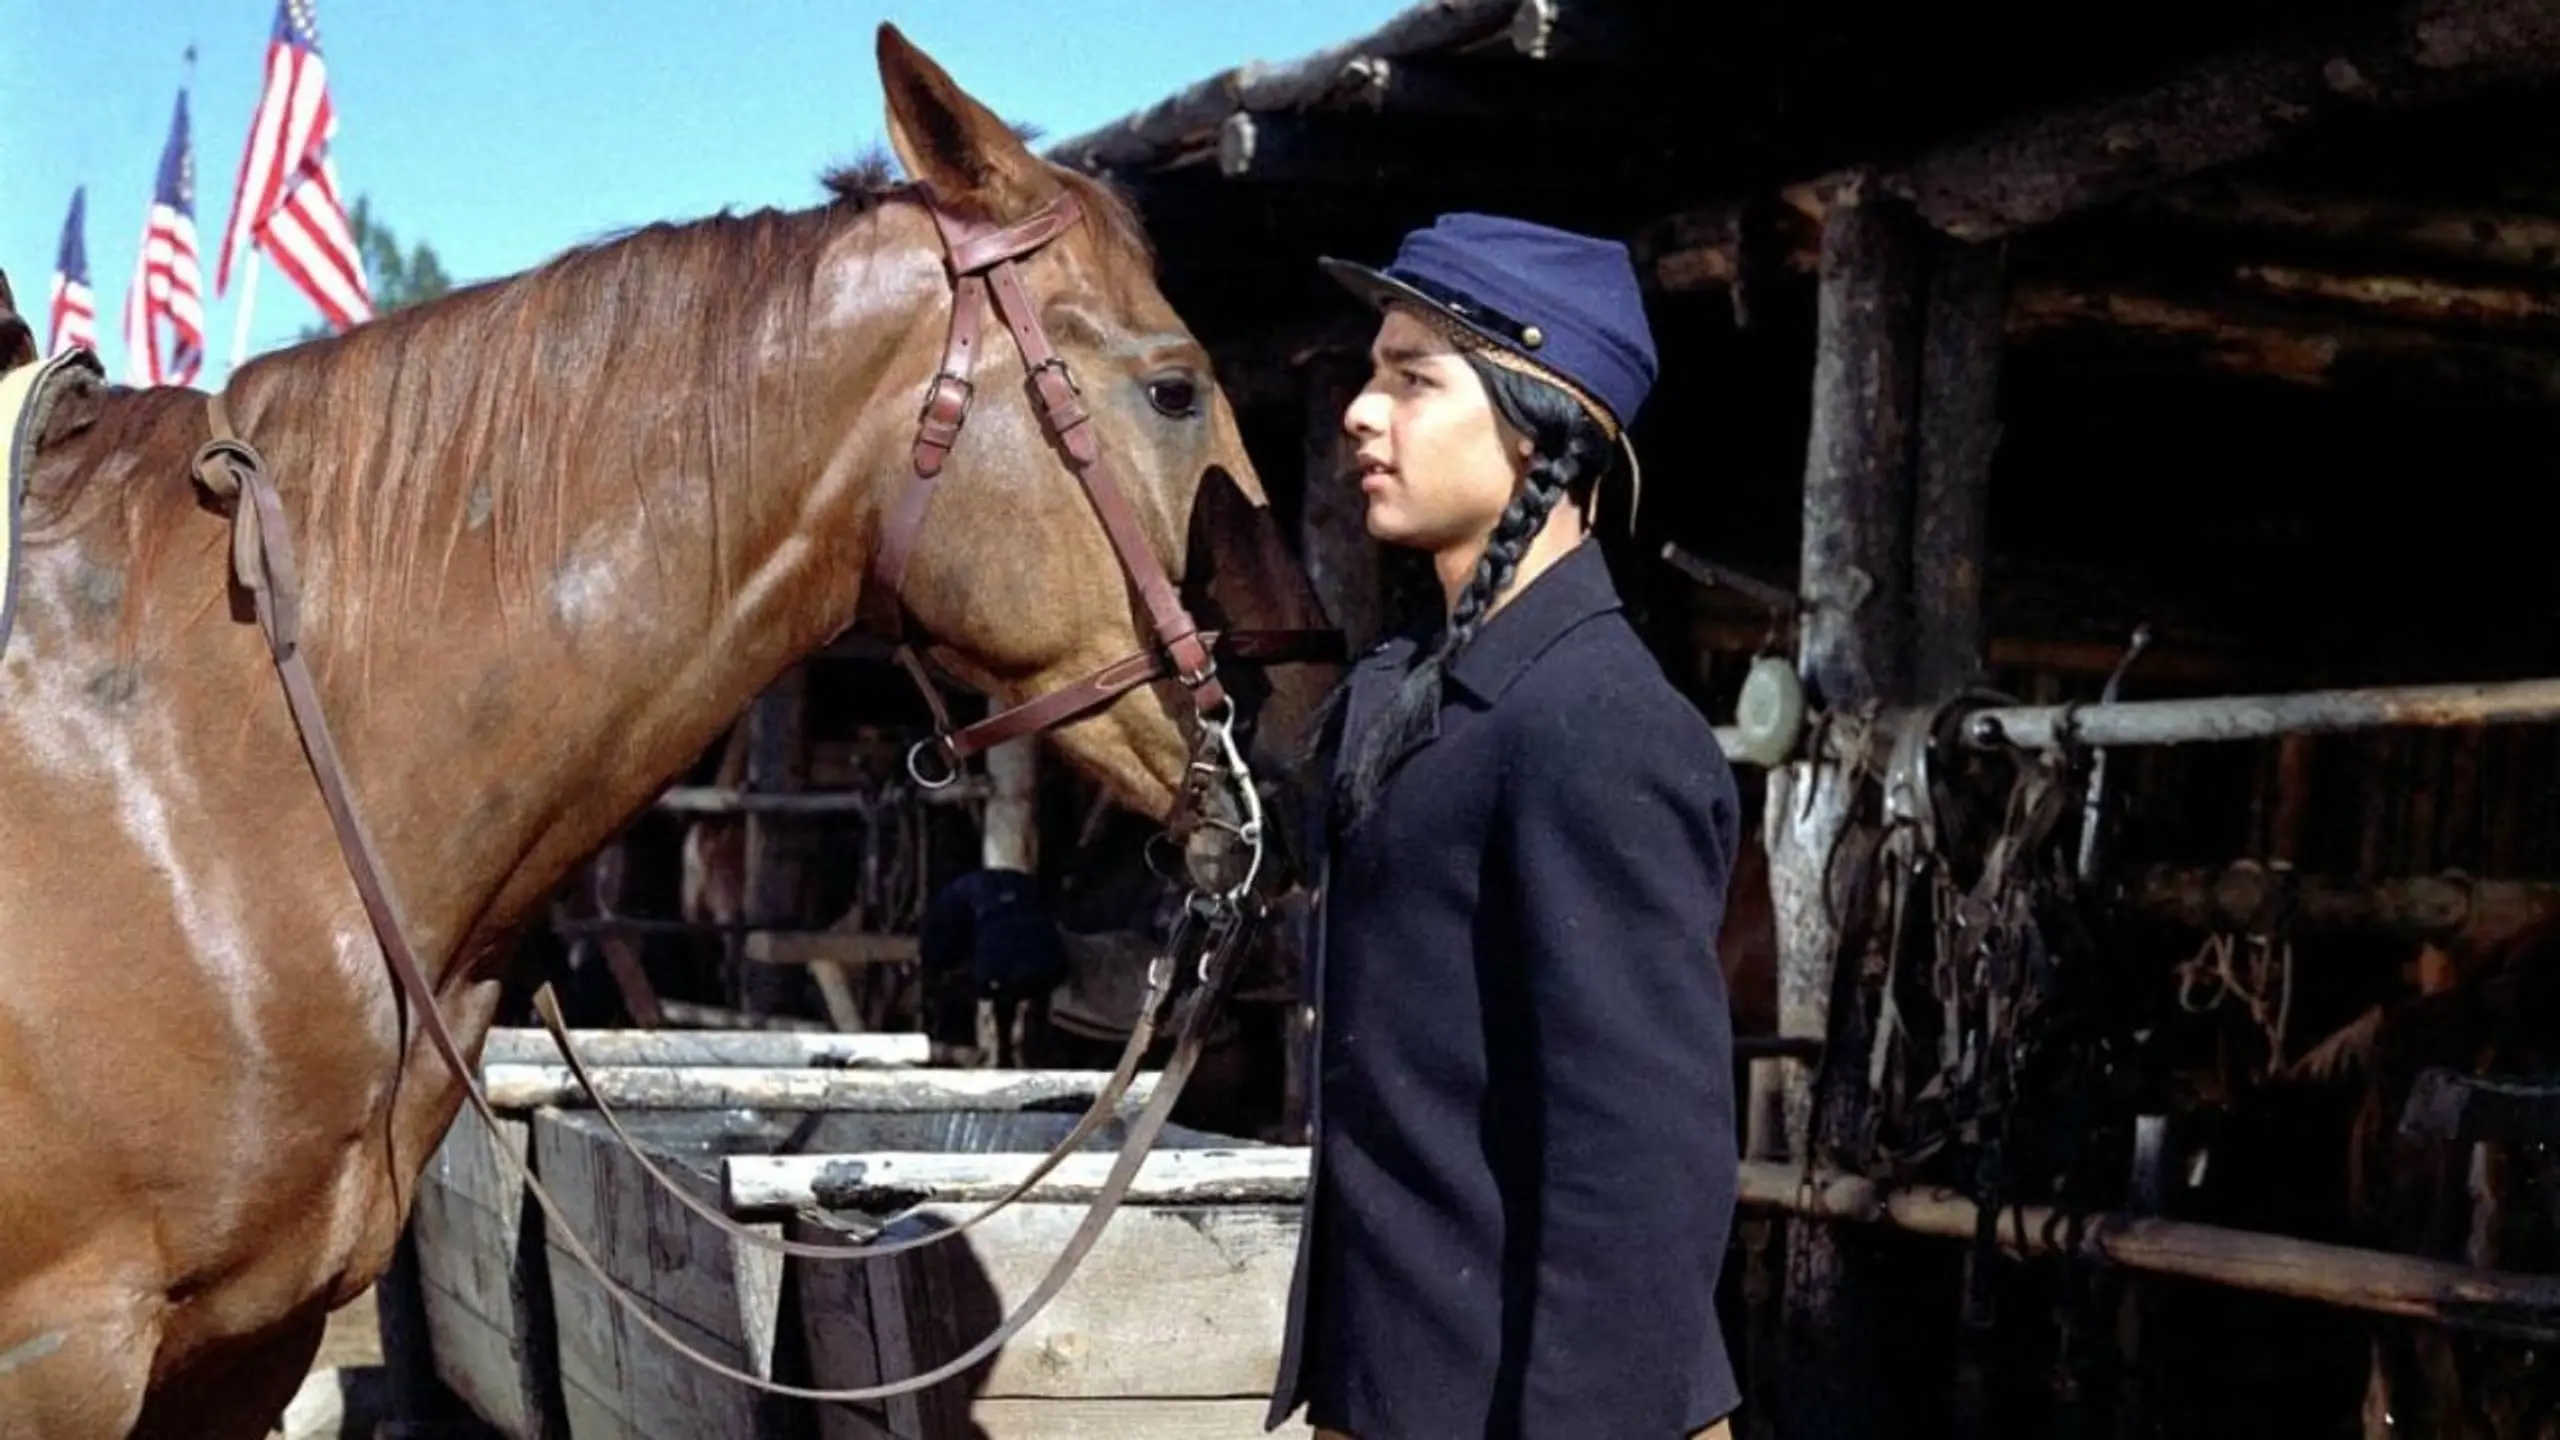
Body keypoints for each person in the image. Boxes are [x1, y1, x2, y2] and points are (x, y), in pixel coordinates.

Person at [1264, 212, 1744, 1440]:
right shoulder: (1430, 695)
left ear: (1545, 428)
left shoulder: (1596, 725)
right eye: (1372, 376)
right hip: (1396, 1385)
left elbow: (1637, 1172)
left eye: (1413, 380)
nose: (1361, 413)